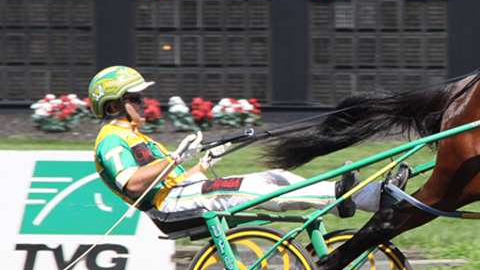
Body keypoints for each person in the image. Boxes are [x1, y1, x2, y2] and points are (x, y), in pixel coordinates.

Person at [88, 65, 408, 224]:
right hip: (170, 207)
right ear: (113, 105)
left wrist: (204, 162)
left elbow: (171, 180)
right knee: (263, 185)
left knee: (276, 177)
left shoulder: (135, 135)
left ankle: (374, 195)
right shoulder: (111, 141)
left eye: (142, 96)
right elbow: (132, 184)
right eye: (136, 98)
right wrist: (175, 158)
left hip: (182, 194)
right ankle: (349, 196)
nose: (144, 102)